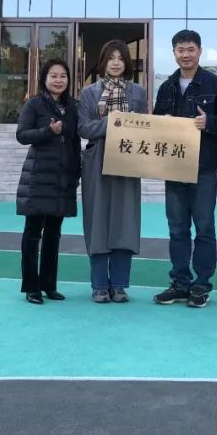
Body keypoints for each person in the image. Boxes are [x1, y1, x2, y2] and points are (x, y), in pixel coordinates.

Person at [152, 30, 217, 308]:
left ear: (199, 51)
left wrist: (209, 122)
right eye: (180, 50)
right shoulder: (166, 87)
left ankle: (201, 285)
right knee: (177, 228)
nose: (185, 55)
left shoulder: (215, 84)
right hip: (173, 167)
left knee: (204, 227)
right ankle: (179, 283)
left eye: (190, 49)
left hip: (203, 167)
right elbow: (155, 123)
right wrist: (163, 122)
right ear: (174, 53)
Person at [77, 40, 148, 303]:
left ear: (127, 62)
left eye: (120, 58)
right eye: (110, 58)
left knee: (125, 220)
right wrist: (113, 122)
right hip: (96, 160)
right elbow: (84, 128)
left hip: (128, 159)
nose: (116, 63)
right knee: (97, 220)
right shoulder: (89, 93)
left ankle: (119, 284)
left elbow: (145, 127)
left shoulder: (138, 92)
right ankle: (98, 285)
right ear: (103, 62)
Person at [15, 58, 81, 304]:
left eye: (63, 76)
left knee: (54, 234)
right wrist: (48, 132)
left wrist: (76, 172)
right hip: (39, 176)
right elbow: (22, 135)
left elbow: (75, 142)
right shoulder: (34, 104)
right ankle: (31, 287)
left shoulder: (72, 107)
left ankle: (49, 285)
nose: (58, 80)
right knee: (33, 233)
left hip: (62, 179)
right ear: (44, 79)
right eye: (53, 75)